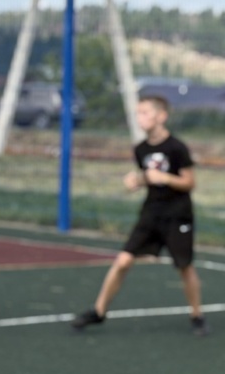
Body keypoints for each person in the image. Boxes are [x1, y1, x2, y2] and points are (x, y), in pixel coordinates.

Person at [71, 95, 205, 335]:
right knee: (123, 260)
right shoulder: (140, 149)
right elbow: (149, 178)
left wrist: (165, 178)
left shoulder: (177, 148)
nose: (140, 118)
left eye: (145, 112)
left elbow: (189, 182)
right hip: (151, 213)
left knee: (184, 267)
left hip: (177, 215)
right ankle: (99, 311)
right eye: (138, 113)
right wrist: (138, 181)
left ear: (161, 116)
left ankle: (197, 316)